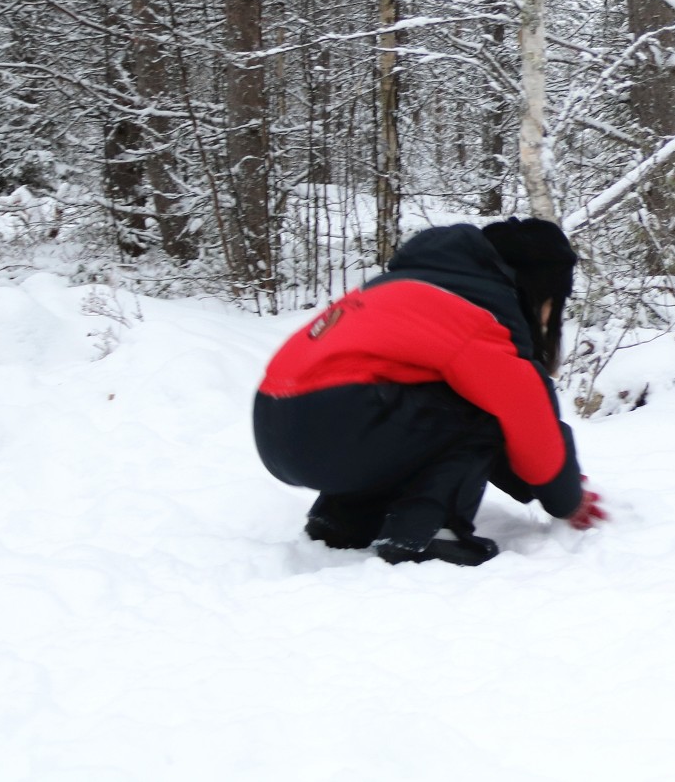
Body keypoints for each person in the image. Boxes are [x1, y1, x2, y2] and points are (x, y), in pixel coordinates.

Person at [253, 217, 607, 565]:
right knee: (480, 408)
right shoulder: (477, 313)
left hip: (276, 422)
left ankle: (343, 522)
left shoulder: (396, 287)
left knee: (416, 412)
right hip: (342, 418)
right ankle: (430, 534)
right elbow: (529, 419)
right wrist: (567, 499)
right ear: (538, 291)